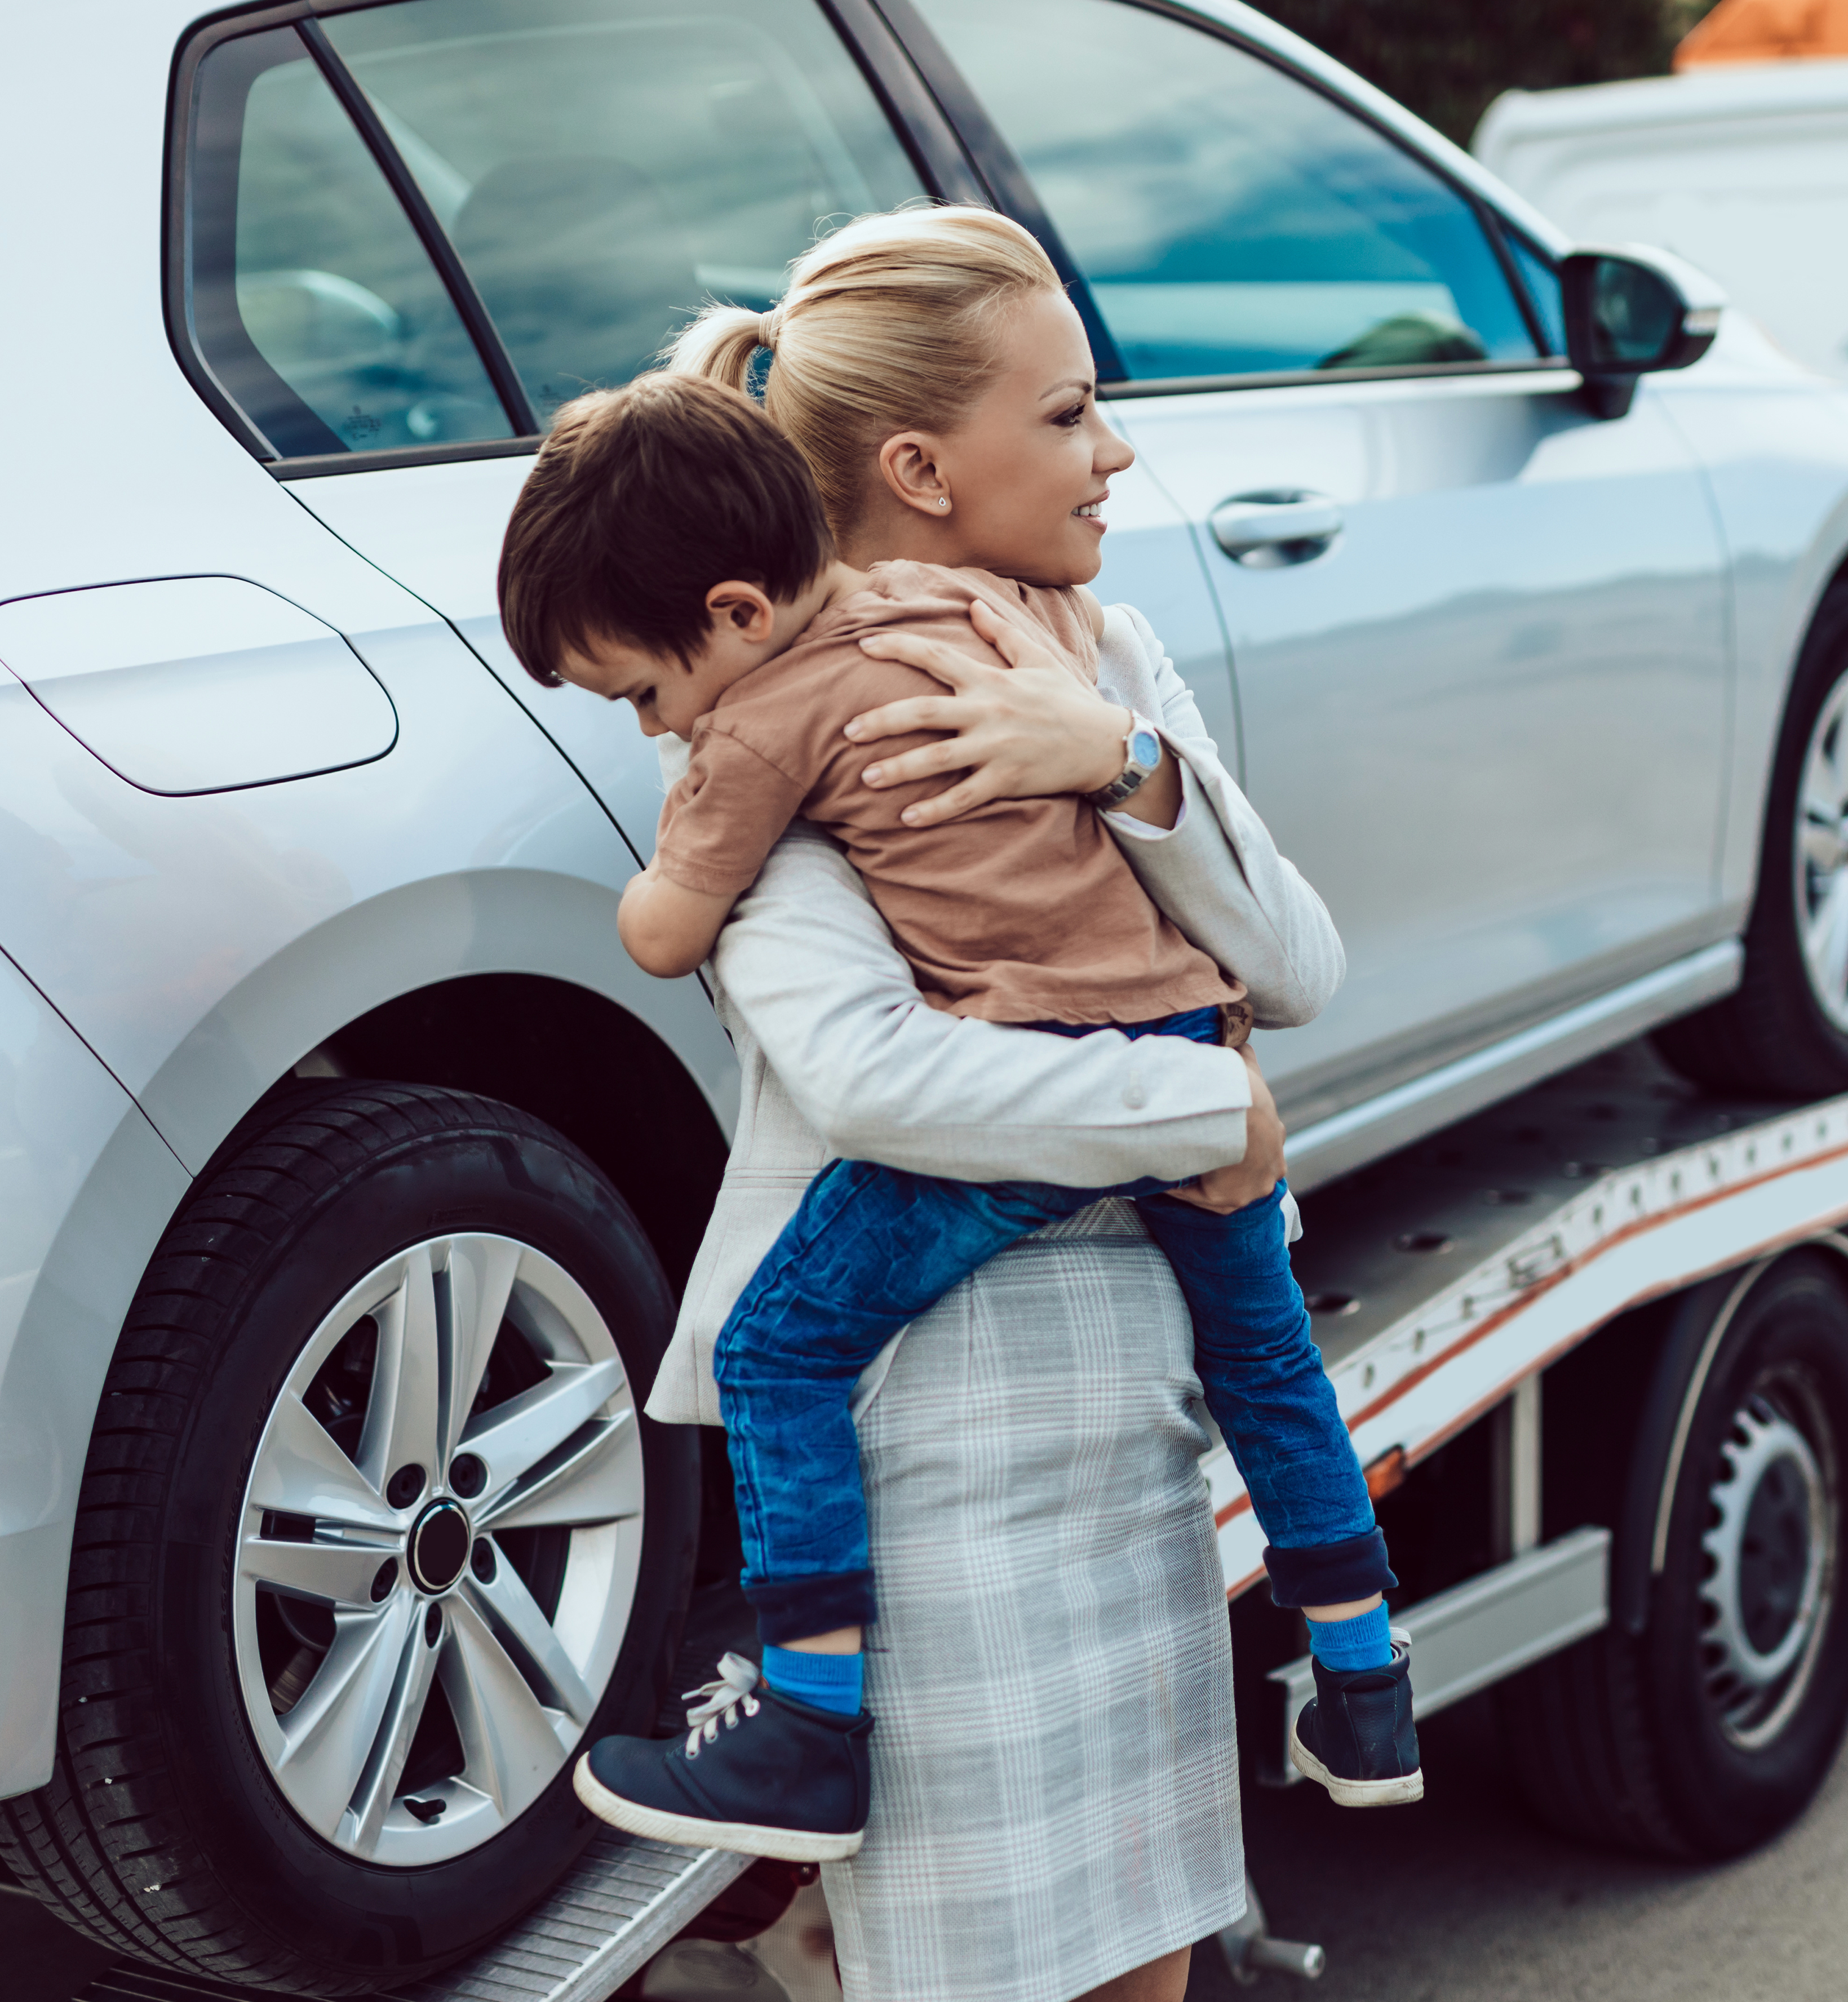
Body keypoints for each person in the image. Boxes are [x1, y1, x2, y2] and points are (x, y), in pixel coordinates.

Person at [515, 201, 1342, 2002]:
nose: (1114, 451)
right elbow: (878, 1081)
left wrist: (1117, 762)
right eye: (1067, 412)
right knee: (980, 1972)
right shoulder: (778, 727)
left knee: (1146, 1951)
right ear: (920, 467)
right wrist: (1205, 1112)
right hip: (934, 1420)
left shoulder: (1100, 658)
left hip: (1133, 1397)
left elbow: (1296, 962)